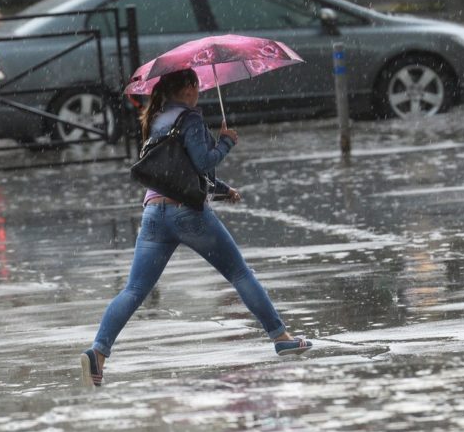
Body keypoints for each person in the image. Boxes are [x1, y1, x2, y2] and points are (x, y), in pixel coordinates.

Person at [79, 68, 311, 388]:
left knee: (133, 290)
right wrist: (226, 142)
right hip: (187, 214)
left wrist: (221, 189)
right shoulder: (189, 119)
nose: (199, 91)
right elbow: (202, 162)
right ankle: (281, 336)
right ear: (187, 88)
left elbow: (177, 169)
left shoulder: (157, 119)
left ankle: (98, 352)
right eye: (197, 86)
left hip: (153, 213)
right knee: (239, 273)